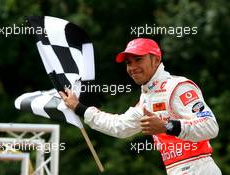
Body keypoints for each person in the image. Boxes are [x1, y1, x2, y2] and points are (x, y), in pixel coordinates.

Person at [59, 38, 222, 175]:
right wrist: (79, 108)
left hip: (200, 168)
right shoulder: (147, 98)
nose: (132, 67)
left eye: (138, 60)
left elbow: (210, 126)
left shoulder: (177, 87)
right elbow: (120, 126)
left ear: (156, 59)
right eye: (129, 62)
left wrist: (166, 126)